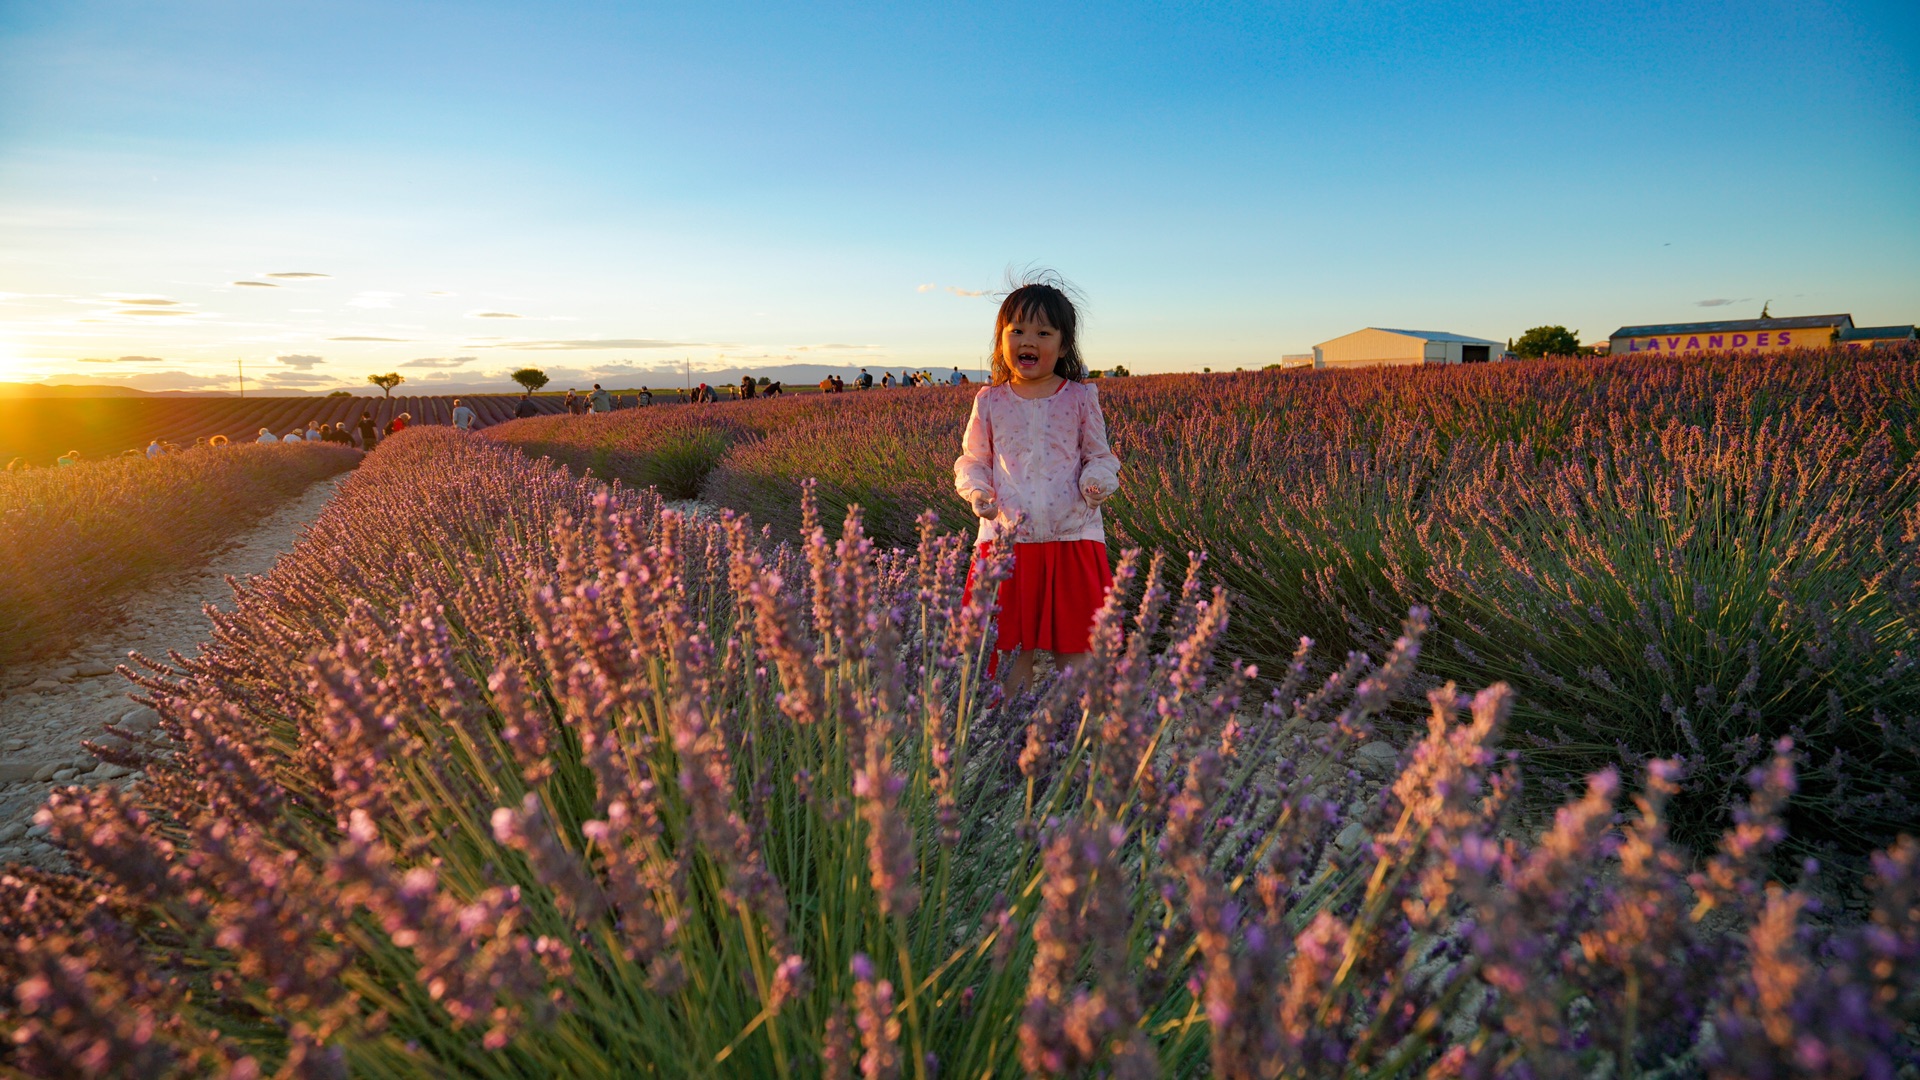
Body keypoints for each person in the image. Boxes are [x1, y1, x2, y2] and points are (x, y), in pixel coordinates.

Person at [954, 280, 1120, 695]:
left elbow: (1099, 455)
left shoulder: (1080, 398)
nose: (1028, 341)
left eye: (1043, 333)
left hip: (1073, 536)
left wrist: (1096, 480)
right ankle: (1010, 744)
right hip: (1006, 538)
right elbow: (974, 460)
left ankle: (1087, 742)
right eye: (1017, 331)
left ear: (1063, 347)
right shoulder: (990, 401)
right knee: (1009, 649)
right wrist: (977, 492)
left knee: (1080, 648)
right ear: (1001, 339)